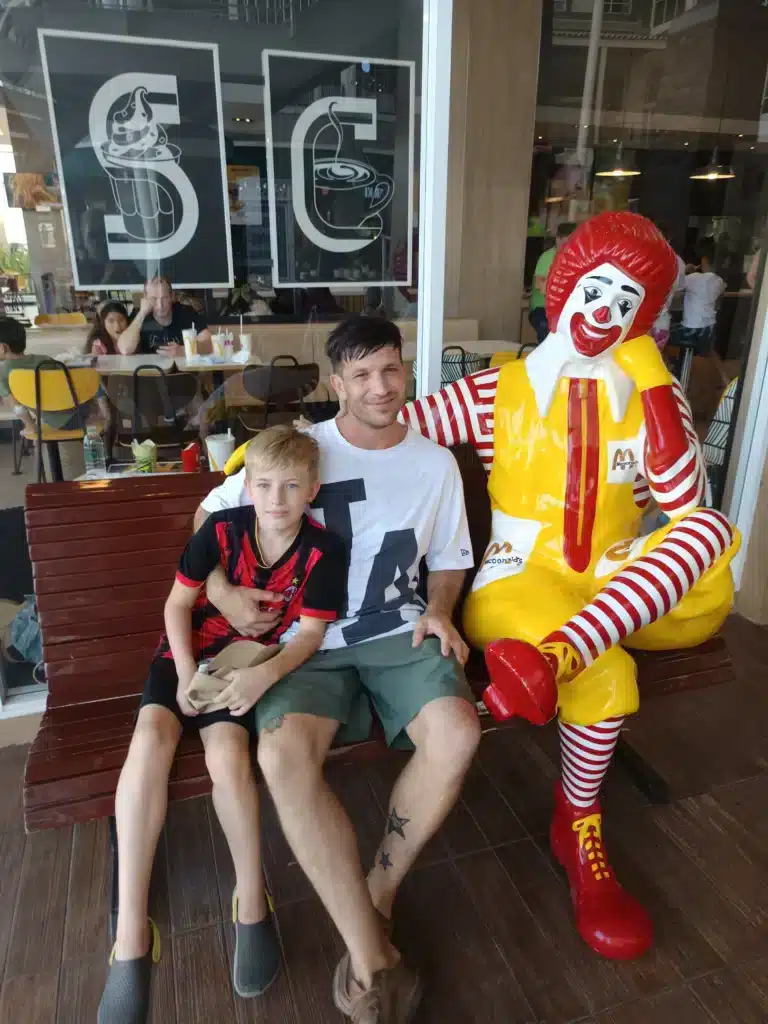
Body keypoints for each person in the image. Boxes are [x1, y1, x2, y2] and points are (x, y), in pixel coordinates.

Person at [400, 211, 740, 963]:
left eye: (629, 304)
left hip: (619, 581)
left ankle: (560, 655)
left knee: (712, 533)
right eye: (598, 289)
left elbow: (684, 501)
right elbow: (392, 429)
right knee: (608, 667)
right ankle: (577, 821)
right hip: (522, 578)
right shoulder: (497, 389)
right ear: (565, 287)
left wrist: (653, 377)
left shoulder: (651, 394)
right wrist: (273, 459)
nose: (605, 313)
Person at [195, 315, 480, 1023]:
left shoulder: (435, 463)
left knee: (458, 732)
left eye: (390, 369)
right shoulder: (298, 453)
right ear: (335, 382)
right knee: (283, 755)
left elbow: (448, 558)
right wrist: (225, 591)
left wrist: (441, 609)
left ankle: (377, 890)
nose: (379, 387)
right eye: (360, 375)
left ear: (405, 370)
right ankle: (369, 952)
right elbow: (210, 516)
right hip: (303, 641)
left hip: (396, 628)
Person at [98, 426, 347, 1024]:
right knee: (151, 744)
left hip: (245, 667)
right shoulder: (220, 530)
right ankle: (131, 932)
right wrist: (183, 674)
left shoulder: (324, 549)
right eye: (264, 485)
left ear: (312, 489)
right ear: (247, 487)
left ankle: (251, 899)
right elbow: (176, 605)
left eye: (291, 486)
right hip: (185, 653)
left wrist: (262, 678)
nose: (277, 498)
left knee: (229, 760)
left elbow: (309, 635)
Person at [0, 317, 109, 478]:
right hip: (80, 411)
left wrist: (32, 428)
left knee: (46, 426)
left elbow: (18, 409)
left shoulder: (5, 374)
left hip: (57, 422)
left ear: (3, 348)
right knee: (84, 382)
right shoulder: (43, 360)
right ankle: (103, 416)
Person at [118, 275, 212, 356]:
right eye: (153, 299)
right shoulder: (138, 315)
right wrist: (142, 314)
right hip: (149, 373)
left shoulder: (186, 312)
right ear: (145, 298)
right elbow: (125, 349)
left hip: (182, 373)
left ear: (172, 296)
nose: (160, 305)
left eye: (164, 298)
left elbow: (209, 344)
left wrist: (184, 350)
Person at [680, 252, 728, 383]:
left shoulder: (693, 278)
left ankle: (676, 372)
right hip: (709, 327)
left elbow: (677, 285)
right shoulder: (718, 280)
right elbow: (722, 288)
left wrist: (686, 271)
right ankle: (725, 378)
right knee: (711, 351)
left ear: (704, 261)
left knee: (664, 336)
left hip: (690, 329)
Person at [528, 222, 576, 343]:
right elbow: (540, 286)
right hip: (541, 310)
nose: (567, 247)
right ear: (557, 239)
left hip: (562, 310)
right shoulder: (547, 257)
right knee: (548, 337)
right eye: (565, 243)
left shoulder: (573, 258)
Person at [649, 223, 686, 351]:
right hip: (662, 322)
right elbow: (679, 290)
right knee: (654, 363)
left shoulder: (644, 257)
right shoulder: (679, 262)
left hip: (640, 324)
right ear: (669, 239)